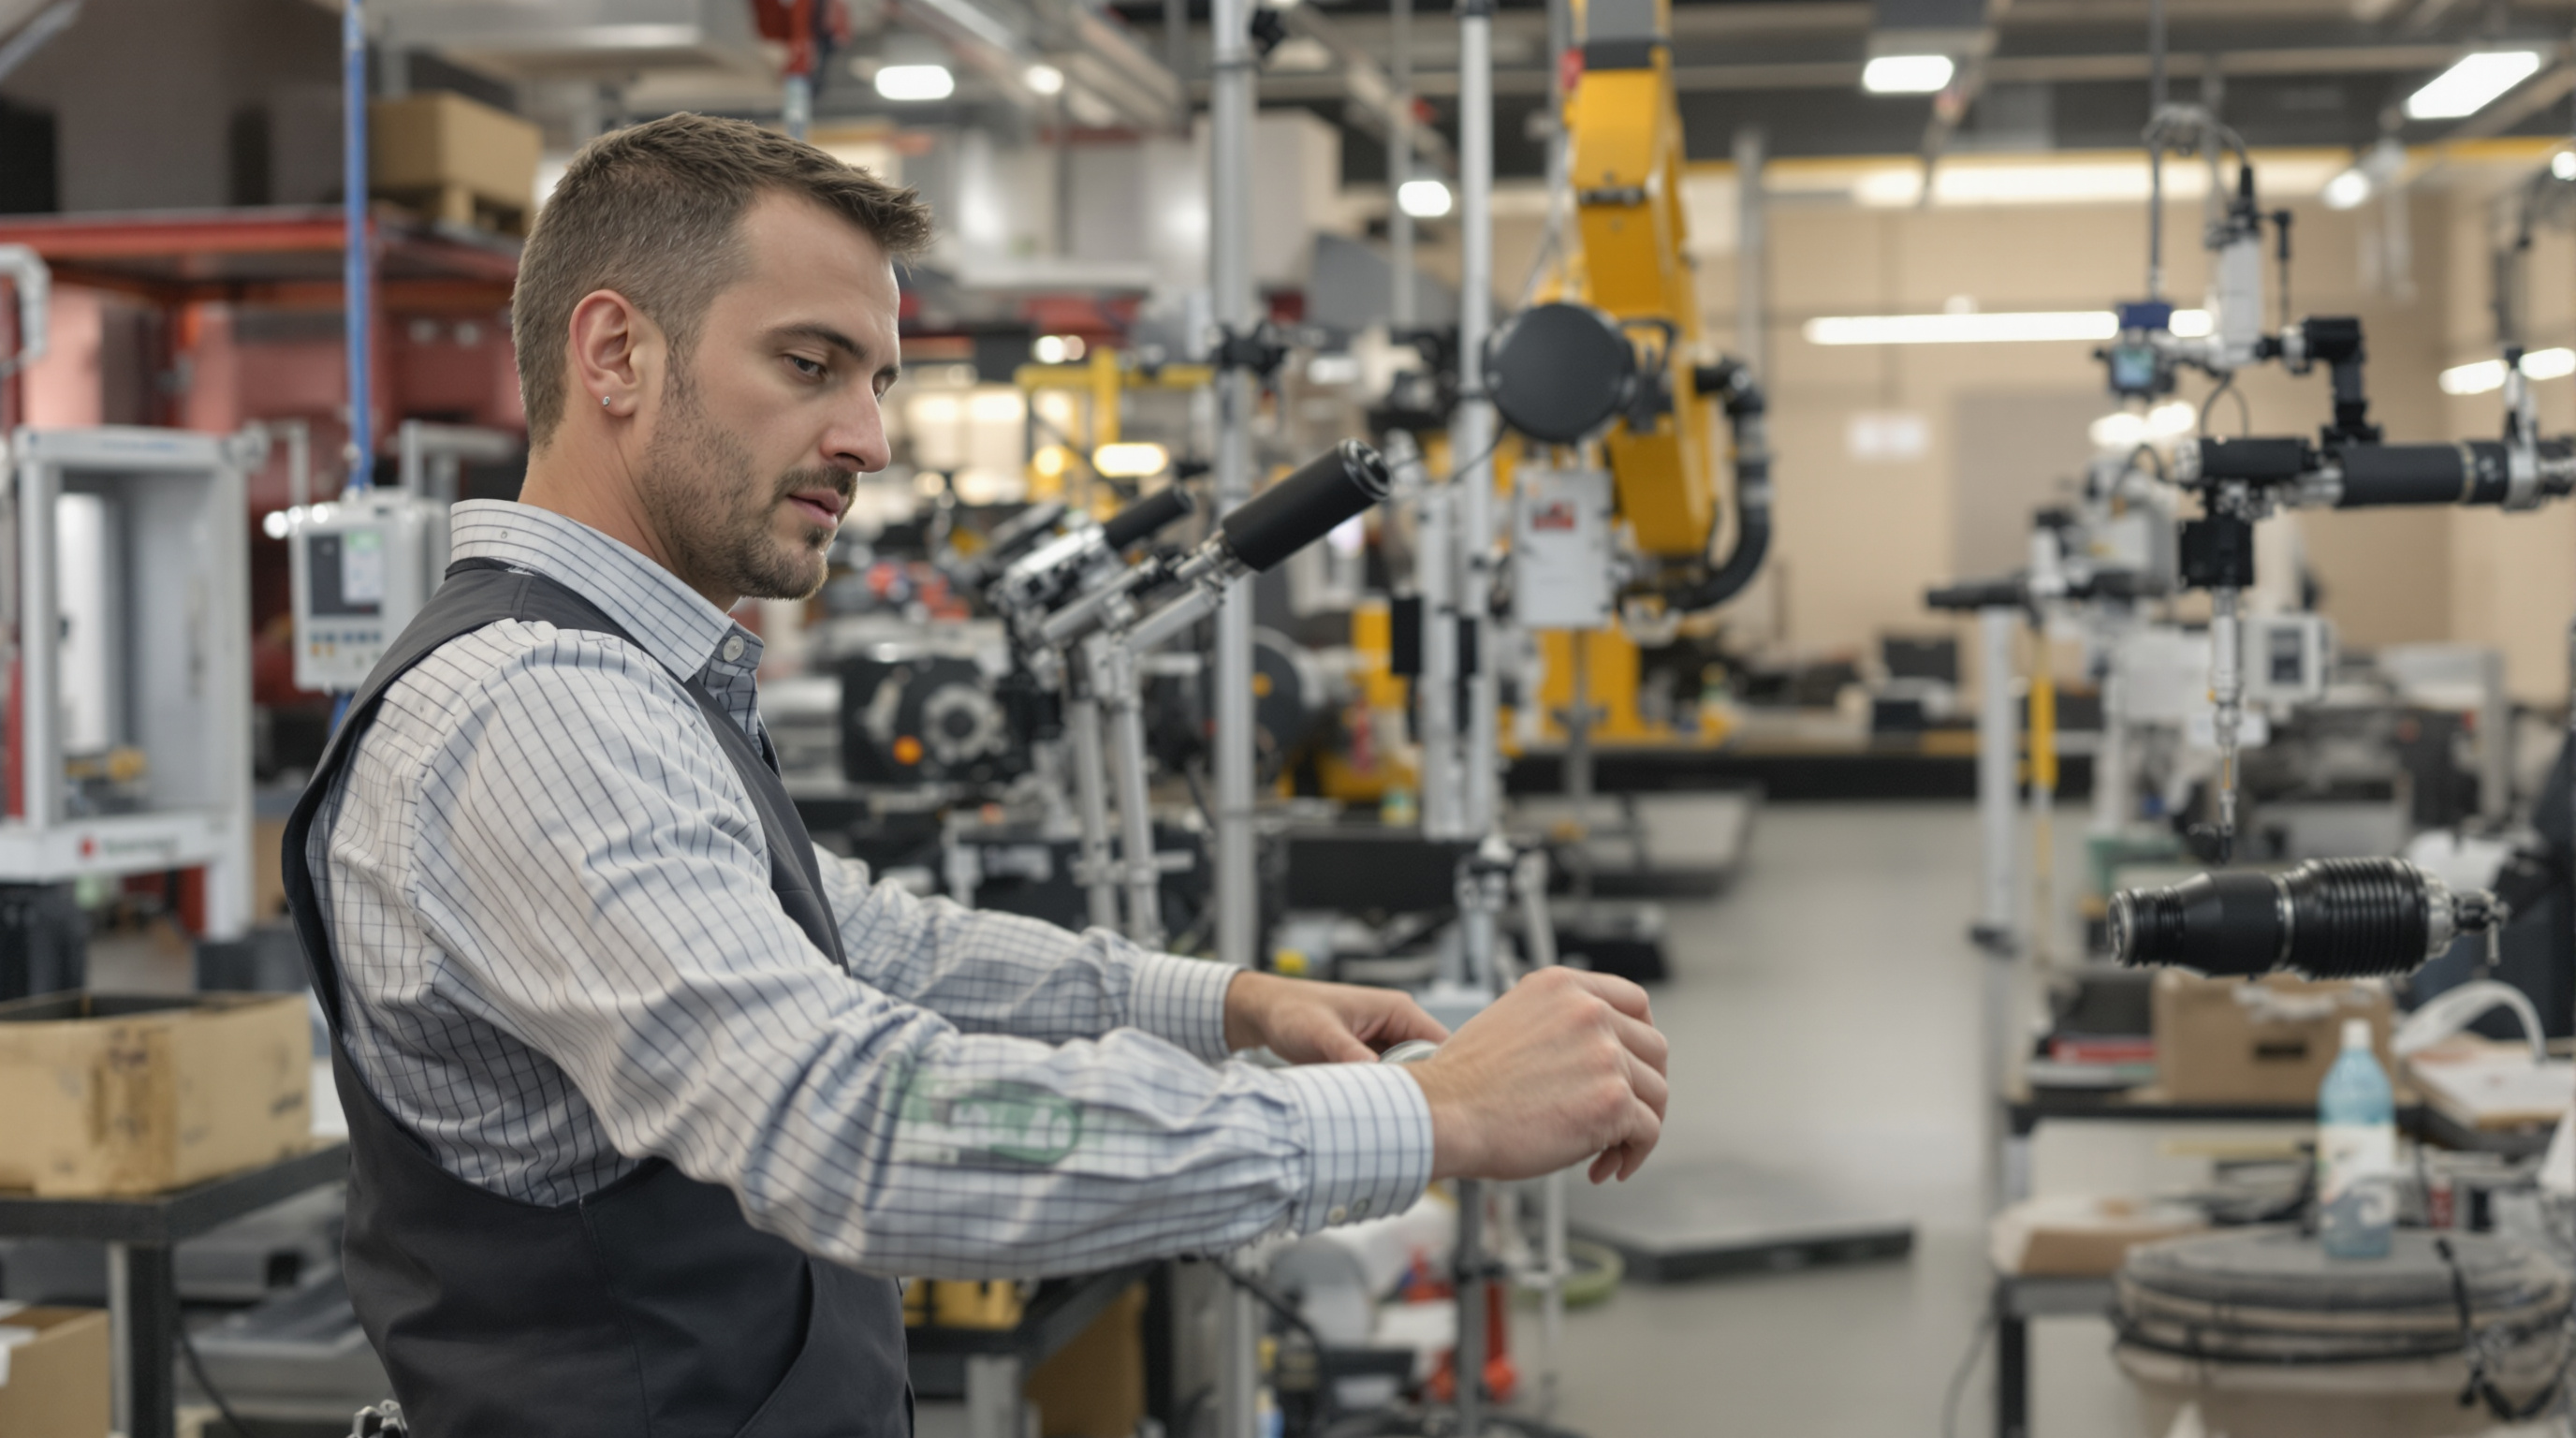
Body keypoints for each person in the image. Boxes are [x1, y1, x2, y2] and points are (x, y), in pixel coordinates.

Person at [282, 111, 1668, 1438]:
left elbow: (868, 942)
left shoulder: (623, 677)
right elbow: (861, 1130)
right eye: (811, 364)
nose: (870, 440)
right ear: (614, 355)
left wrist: (1231, 1004)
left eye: (877, 380)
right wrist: (1431, 1112)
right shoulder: (534, 710)